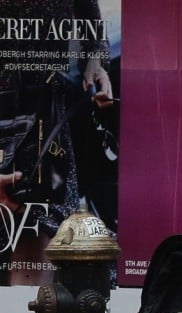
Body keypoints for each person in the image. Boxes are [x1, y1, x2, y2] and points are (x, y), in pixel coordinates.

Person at [0, 0, 115, 286]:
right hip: (6, 101)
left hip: (46, 106)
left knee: (39, 214)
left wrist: (95, 62)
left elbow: (89, 15)